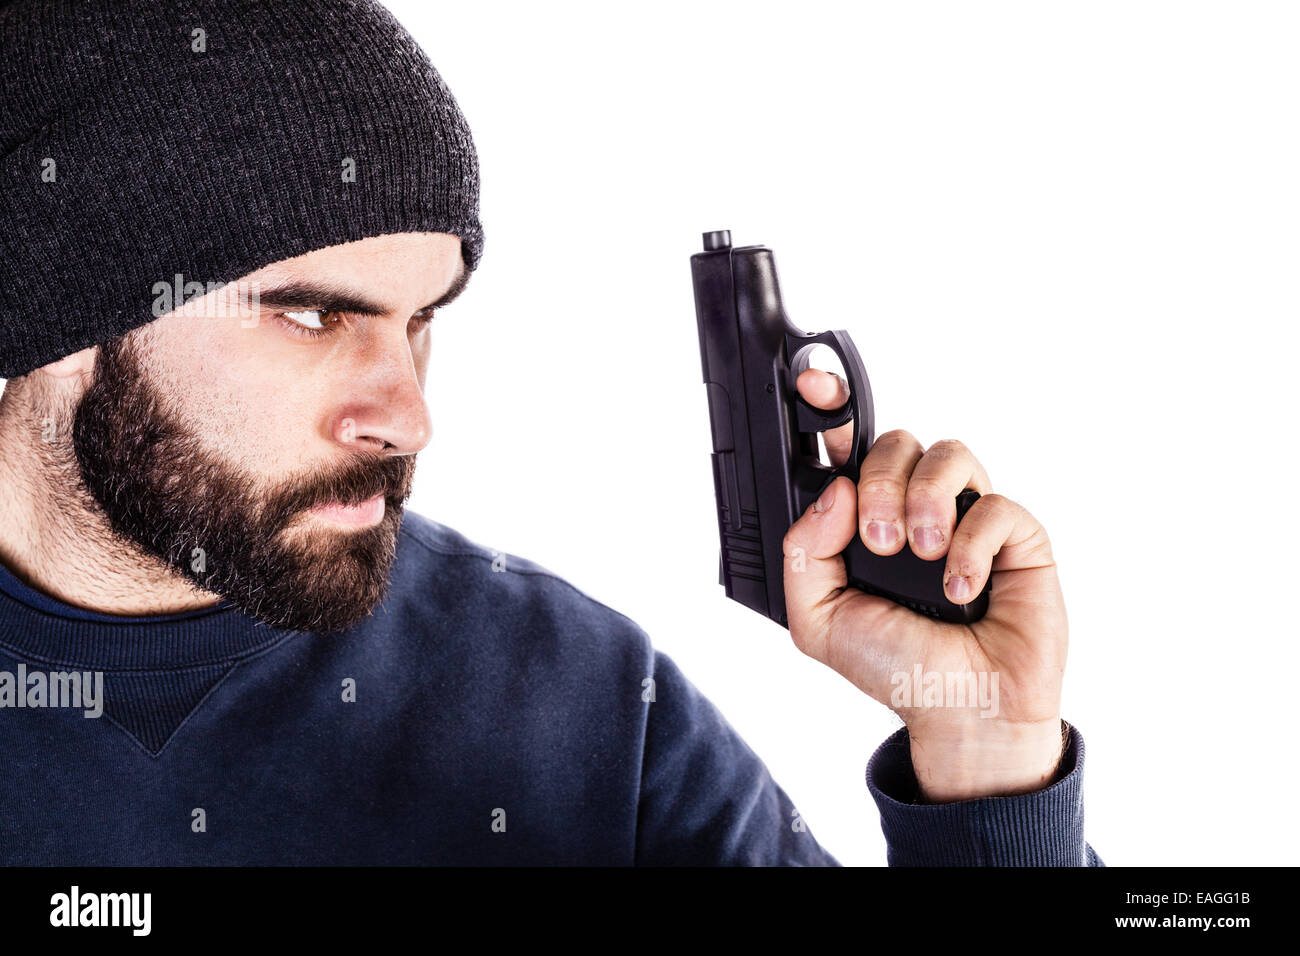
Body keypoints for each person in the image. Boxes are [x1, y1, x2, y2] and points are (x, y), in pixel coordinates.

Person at [0, 0, 1100, 865]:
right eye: (311, 314)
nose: (407, 413)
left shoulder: (569, 693)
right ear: (62, 314)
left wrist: (987, 765)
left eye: (421, 319)